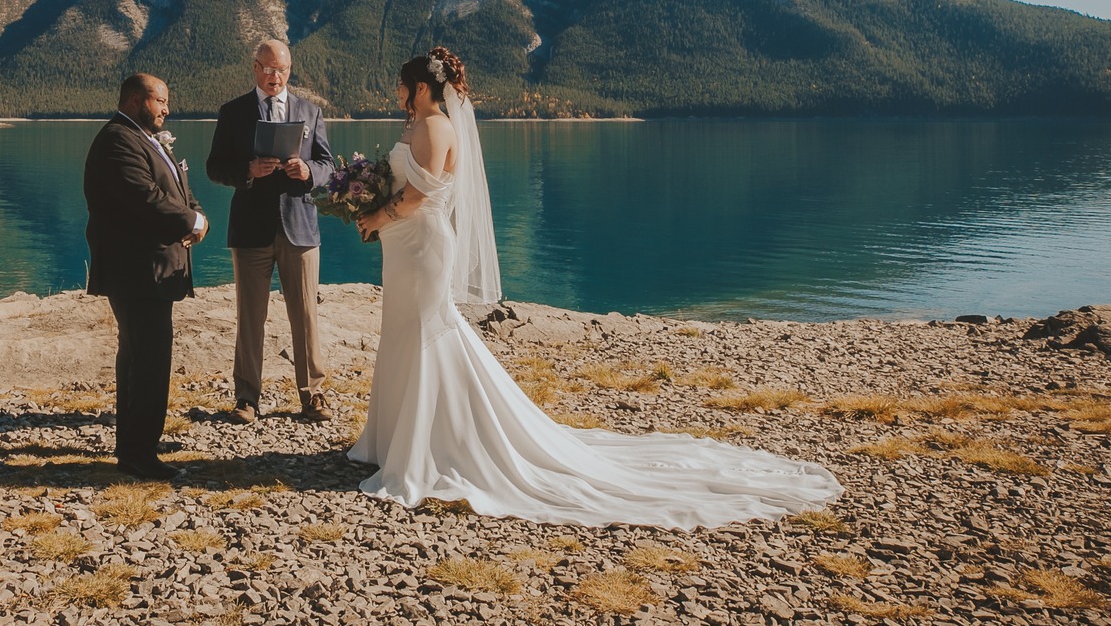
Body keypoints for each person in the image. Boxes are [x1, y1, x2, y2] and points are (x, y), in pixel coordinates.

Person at [349, 47, 843, 527]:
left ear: (419, 87)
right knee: (403, 328)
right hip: (404, 245)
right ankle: (394, 438)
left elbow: (417, 195)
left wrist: (376, 214)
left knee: (429, 330)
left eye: (401, 84)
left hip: (423, 246)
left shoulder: (436, 128)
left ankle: (436, 445)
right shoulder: (417, 126)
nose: (396, 92)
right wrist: (367, 201)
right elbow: (401, 187)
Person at [204, 38, 337, 423]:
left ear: (289, 70)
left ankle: (313, 395)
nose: (275, 76)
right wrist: (248, 170)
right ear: (255, 68)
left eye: (282, 69)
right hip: (250, 230)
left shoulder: (310, 112)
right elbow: (215, 167)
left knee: (306, 315)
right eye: (268, 68)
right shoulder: (233, 112)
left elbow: (328, 166)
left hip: (300, 227)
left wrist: (308, 171)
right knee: (250, 316)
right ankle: (246, 398)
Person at [83, 73, 207, 481]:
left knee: (143, 358)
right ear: (137, 100)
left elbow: (174, 189)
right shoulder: (119, 140)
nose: (168, 108)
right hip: (136, 272)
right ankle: (139, 455)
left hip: (152, 271)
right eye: (161, 100)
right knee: (146, 361)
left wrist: (194, 214)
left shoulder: (142, 138)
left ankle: (135, 446)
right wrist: (190, 219)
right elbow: (144, 197)